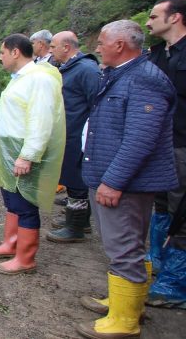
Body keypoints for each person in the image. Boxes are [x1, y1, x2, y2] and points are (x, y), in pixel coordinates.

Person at [76, 20, 178, 339]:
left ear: (120, 45)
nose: (97, 47)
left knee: (124, 247)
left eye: (102, 42)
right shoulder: (122, 74)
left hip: (125, 183)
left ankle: (124, 321)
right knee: (125, 243)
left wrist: (114, 181)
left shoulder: (144, 79)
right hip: (112, 176)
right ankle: (127, 303)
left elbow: (141, 139)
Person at [0, 34, 65, 275]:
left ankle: (25, 258)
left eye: (2, 52)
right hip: (10, 151)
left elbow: (41, 120)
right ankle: (11, 244)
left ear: (15, 52)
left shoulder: (39, 79)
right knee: (12, 199)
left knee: (25, 204)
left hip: (22, 152)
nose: (0, 57)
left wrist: (27, 155)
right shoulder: (22, 77)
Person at [145, 0, 186, 308]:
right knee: (160, 201)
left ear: (176, 18)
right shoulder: (158, 54)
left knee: (181, 210)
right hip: (160, 141)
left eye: (154, 15)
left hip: (182, 144)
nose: (148, 21)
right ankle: (155, 262)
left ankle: (175, 283)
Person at [46, 31, 101, 243]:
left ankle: (76, 227)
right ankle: (77, 219)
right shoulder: (71, 68)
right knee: (70, 177)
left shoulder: (86, 69)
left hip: (79, 136)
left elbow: (96, 105)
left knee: (78, 180)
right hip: (69, 134)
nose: (51, 51)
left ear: (66, 47)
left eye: (53, 47)